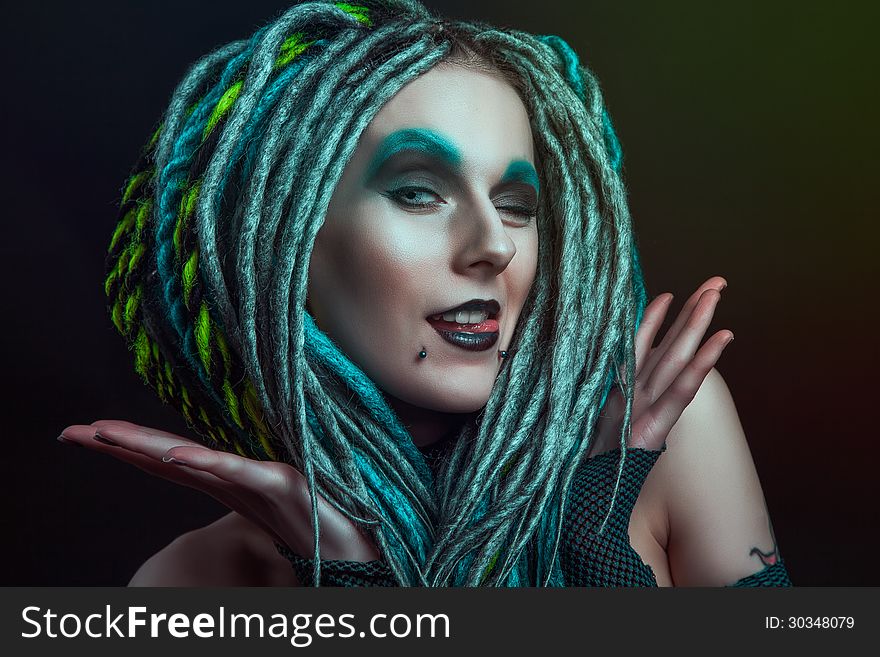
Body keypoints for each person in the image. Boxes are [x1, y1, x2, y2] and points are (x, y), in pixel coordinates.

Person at [60, 0, 790, 587]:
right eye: (418, 193)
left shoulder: (661, 432)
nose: (494, 246)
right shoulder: (197, 582)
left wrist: (594, 539)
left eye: (516, 204)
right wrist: (359, 583)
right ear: (283, 240)